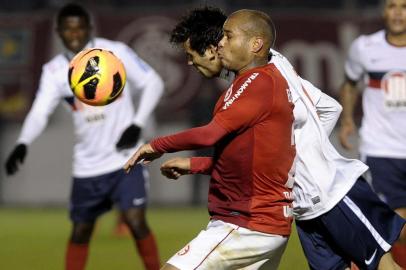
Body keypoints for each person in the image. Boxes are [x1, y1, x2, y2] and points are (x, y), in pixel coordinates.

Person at [164, 6, 405, 270]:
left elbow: (320, 111)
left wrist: (293, 155)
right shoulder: (247, 79)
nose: (189, 62)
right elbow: (327, 106)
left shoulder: (268, 71)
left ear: (212, 48)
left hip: (329, 191)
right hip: (303, 205)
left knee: (383, 260)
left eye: (191, 54)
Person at [125, 9, 296, 270]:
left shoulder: (257, 82)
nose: (221, 44)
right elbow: (247, 161)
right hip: (262, 222)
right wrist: (193, 165)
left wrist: (156, 145)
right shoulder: (249, 84)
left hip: (246, 223)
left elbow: (209, 134)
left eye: (192, 56)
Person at [4, 3, 162, 270]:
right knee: (80, 231)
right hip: (88, 165)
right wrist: (23, 142)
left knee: (135, 221)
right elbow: (40, 112)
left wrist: (137, 123)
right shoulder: (54, 71)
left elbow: (153, 82)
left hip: (125, 158)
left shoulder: (115, 53)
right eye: (68, 29)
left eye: (79, 28)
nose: (74, 34)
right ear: (59, 32)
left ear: (89, 28)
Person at [339, 0, 406, 267]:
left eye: (403, 6)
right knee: (389, 225)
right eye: (392, 6)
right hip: (381, 150)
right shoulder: (365, 47)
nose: (398, 12)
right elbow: (349, 84)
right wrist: (346, 122)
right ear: (383, 12)